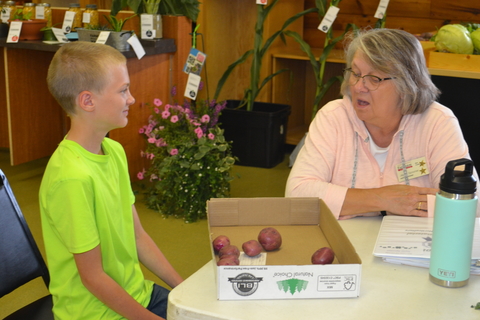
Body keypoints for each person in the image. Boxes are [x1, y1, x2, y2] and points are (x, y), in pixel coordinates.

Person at [39, 41, 183, 320]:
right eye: (123, 90)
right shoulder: (71, 178)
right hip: (95, 313)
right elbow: (93, 278)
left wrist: (183, 290)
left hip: (136, 294)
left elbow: (138, 236)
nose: (131, 98)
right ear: (88, 101)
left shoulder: (113, 151)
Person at [285, 28, 480, 219]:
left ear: (407, 85)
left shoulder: (437, 122)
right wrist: (383, 200)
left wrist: (349, 202)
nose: (359, 86)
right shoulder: (333, 117)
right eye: (356, 73)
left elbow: (469, 203)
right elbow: (297, 194)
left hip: (417, 244)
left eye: (374, 78)